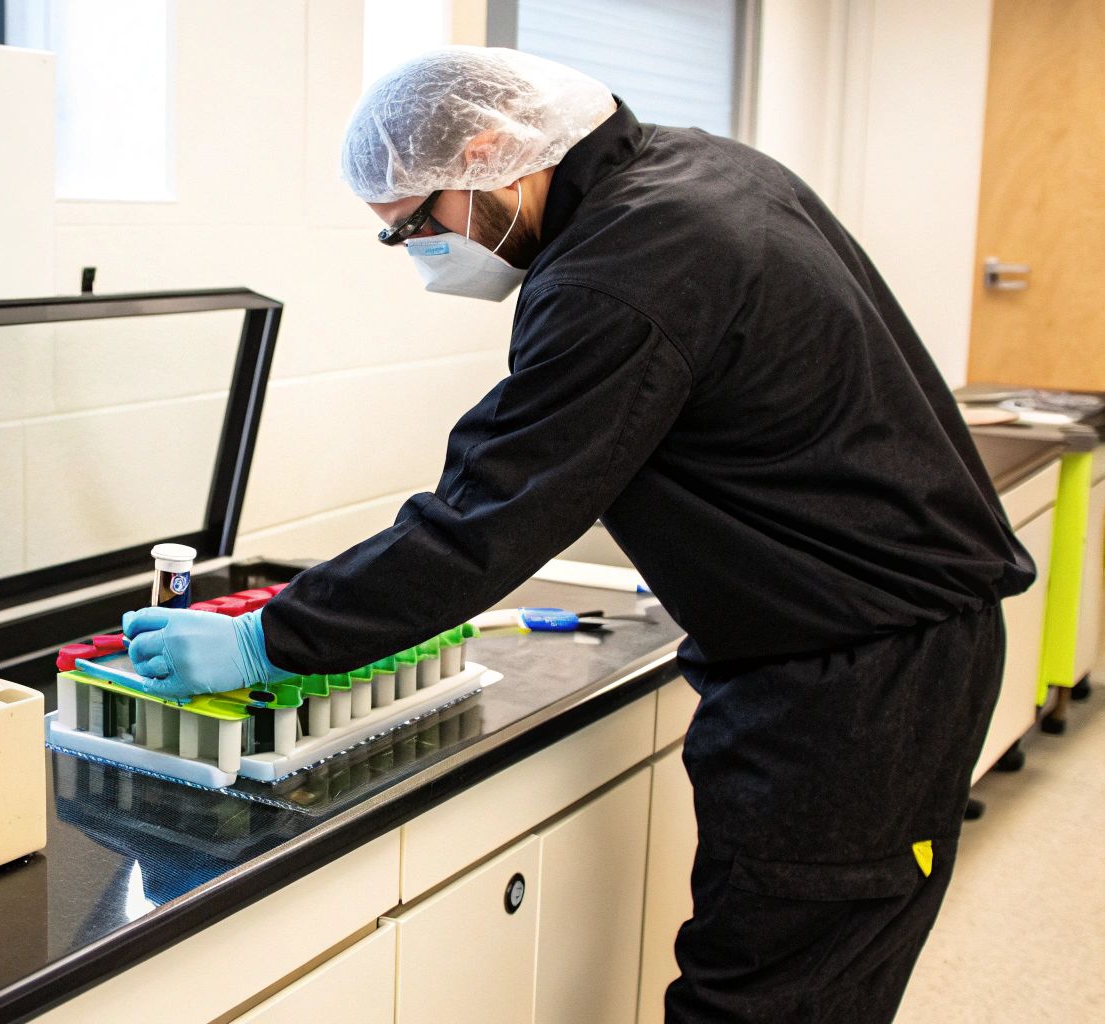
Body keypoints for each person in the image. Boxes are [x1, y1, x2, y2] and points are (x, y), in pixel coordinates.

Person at [119, 46, 1033, 1022]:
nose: (418, 254)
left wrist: (269, 639)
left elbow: (486, 515)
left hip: (853, 685)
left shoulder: (622, 268)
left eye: (413, 227)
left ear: (488, 155)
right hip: (868, 643)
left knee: (768, 991)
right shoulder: (689, 172)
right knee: (794, 967)